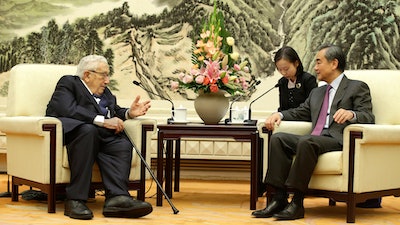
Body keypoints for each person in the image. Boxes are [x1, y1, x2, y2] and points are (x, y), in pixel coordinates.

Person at [252, 44, 375, 220]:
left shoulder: (356, 87)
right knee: (279, 139)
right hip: (315, 138)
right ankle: (278, 197)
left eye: (319, 62)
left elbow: (369, 116)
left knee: (306, 141)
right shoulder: (317, 92)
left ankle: (297, 202)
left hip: (337, 139)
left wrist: (352, 114)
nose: (315, 67)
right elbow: (300, 112)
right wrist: (278, 114)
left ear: (334, 63)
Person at [46, 55, 153, 220]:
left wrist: (129, 113)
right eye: (103, 75)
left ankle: (117, 198)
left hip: (99, 135)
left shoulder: (106, 93)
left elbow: (113, 111)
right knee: (88, 130)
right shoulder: (69, 83)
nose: (107, 80)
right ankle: (75, 199)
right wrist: (103, 122)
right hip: (75, 135)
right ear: (87, 75)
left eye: (108, 75)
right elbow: (66, 109)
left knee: (121, 143)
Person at [274, 46, 317, 112]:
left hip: (305, 120)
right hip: (287, 120)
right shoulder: (282, 82)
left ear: (296, 63)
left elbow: (310, 107)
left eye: (286, 69)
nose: (283, 73)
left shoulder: (308, 80)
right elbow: (283, 107)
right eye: (279, 70)